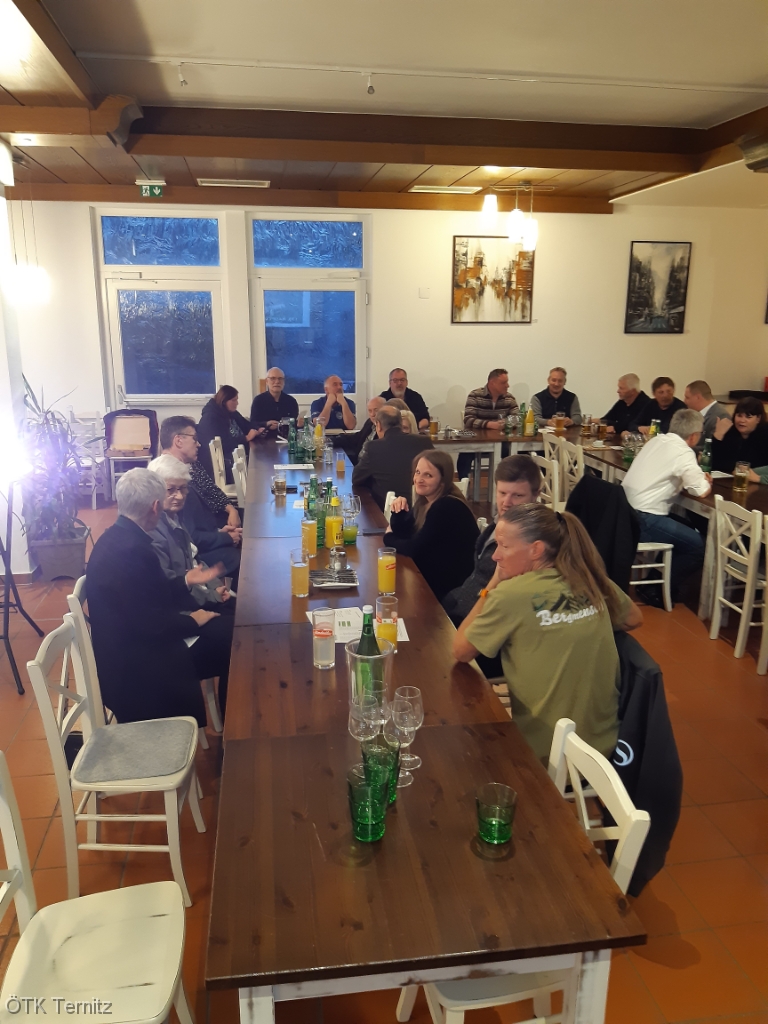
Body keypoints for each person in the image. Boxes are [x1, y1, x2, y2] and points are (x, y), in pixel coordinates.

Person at [453, 504, 642, 762]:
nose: (495, 556)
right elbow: (633, 618)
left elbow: (461, 650)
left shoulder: (510, 595)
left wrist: (493, 584)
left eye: (504, 546)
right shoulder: (589, 580)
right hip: (607, 745)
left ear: (536, 549)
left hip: (545, 753)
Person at [85, 469, 227, 726]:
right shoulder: (134, 550)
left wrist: (185, 581)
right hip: (138, 669)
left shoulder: (114, 537)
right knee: (232, 643)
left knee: (226, 629)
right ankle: (233, 730)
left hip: (127, 649)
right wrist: (193, 620)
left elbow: (148, 593)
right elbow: (153, 624)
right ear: (155, 507)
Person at [146, 456, 234, 712]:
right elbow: (170, 586)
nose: (178, 496)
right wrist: (207, 595)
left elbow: (194, 562)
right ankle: (232, 717)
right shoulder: (153, 530)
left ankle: (234, 709)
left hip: (192, 604)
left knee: (247, 618)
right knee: (237, 641)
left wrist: (214, 587)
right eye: (170, 489)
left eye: (183, 489)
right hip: (178, 626)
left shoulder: (174, 519)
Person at [443, 456, 542, 680]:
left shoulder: (532, 546)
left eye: (517, 495)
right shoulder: (499, 524)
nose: (507, 502)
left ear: (535, 496)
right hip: (462, 611)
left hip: (487, 639)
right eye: (502, 493)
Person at [622, 409, 711, 604]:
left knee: (686, 528)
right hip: (644, 518)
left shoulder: (656, 440)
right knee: (700, 546)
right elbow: (700, 490)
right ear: (694, 435)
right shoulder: (683, 452)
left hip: (624, 512)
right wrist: (707, 480)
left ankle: (653, 582)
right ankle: (658, 589)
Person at [386, 450, 480, 602]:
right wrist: (398, 511)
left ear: (443, 480)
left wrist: (388, 538)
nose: (419, 479)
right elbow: (405, 533)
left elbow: (413, 549)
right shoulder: (426, 501)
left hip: (451, 592)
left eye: (428, 475)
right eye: (417, 472)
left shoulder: (446, 506)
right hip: (434, 577)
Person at [160, 416, 242, 579]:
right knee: (242, 557)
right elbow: (190, 537)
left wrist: (228, 516)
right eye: (194, 439)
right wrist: (224, 537)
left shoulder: (190, 466)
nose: (198, 444)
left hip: (205, 532)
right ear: (178, 441)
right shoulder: (174, 480)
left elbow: (211, 491)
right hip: (190, 555)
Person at [351, 405, 433, 509]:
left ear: (378, 425)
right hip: (423, 506)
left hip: (390, 510)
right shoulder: (424, 442)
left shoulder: (373, 447)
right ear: (400, 423)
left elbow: (356, 478)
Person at [459, 369, 519, 478]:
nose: (508, 385)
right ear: (492, 383)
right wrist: (490, 425)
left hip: (502, 442)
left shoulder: (509, 398)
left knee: (519, 454)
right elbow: (468, 419)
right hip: (476, 441)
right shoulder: (475, 395)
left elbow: (517, 418)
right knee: (464, 454)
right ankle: (463, 485)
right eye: (503, 383)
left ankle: (507, 484)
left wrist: (505, 423)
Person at [198, 385, 260, 482]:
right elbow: (223, 444)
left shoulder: (231, 412)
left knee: (260, 460)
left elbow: (246, 424)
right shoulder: (211, 418)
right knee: (258, 467)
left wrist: (260, 428)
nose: (237, 403)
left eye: (237, 400)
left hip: (238, 455)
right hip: (224, 464)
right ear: (224, 401)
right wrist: (246, 438)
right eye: (234, 400)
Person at [711, 397, 768, 472]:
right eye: (739, 416)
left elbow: (757, 466)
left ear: (758, 418)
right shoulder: (729, 431)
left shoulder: (765, 435)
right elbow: (712, 462)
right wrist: (718, 435)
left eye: (748, 417)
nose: (742, 420)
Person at [333, 396, 385, 465]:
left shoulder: (385, 429)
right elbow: (356, 438)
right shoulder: (369, 423)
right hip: (358, 462)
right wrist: (331, 441)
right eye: (370, 411)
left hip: (369, 467)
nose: (372, 414)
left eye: (376, 410)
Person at [683, 380, 731, 451]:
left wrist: (684, 448)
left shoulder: (720, 417)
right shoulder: (697, 414)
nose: (684, 401)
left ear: (697, 397)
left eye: (687, 397)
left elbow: (713, 447)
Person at [250, 367, 302, 431]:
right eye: (273, 378)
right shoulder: (258, 401)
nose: (277, 382)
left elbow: (294, 425)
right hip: (266, 436)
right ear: (267, 381)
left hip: (286, 435)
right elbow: (252, 424)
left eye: (280, 379)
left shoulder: (291, 401)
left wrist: (299, 425)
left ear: (284, 382)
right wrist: (266, 424)